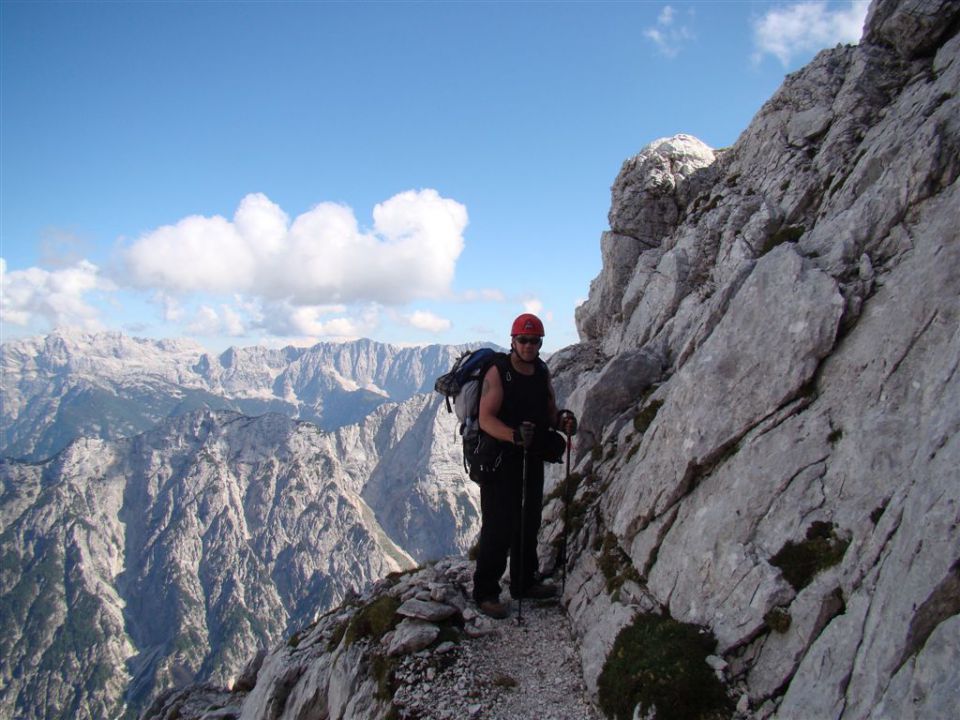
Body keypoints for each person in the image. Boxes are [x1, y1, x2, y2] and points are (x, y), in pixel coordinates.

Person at [471, 313, 578, 619]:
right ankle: (486, 592)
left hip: (531, 455)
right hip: (500, 460)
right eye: (524, 340)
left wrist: (563, 422)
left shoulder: (541, 371)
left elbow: (549, 412)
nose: (529, 345)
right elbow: (485, 418)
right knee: (498, 526)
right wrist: (514, 436)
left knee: (529, 519)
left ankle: (523, 581)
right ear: (513, 341)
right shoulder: (498, 372)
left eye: (534, 341)